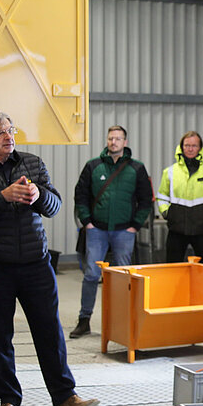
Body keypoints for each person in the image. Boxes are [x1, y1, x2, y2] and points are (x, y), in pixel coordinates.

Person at [0, 112, 98, 406]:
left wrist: (38, 195)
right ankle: (8, 400)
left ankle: (64, 396)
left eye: (11, 130)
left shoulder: (32, 163)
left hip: (35, 263)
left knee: (49, 331)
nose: (9, 137)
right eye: (0, 133)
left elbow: (55, 205)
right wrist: (3, 197)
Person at [70, 125, 153, 338]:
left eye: (117, 139)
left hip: (124, 231)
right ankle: (84, 320)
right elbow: (80, 194)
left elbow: (146, 199)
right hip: (96, 230)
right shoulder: (93, 166)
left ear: (125, 142)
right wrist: (87, 221)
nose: (113, 142)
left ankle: (123, 321)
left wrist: (135, 225)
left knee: (123, 277)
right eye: (110, 138)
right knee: (91, 274)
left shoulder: (136, 168)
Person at [157, 131, 203, 264]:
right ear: (181, 147)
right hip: (176, 229)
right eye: (187, 145)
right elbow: (162, 196)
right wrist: (167, 213)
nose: (190, 149)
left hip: (202, 229)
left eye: (194, 146)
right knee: (173, 269)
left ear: (200, 148)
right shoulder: (170, 171)